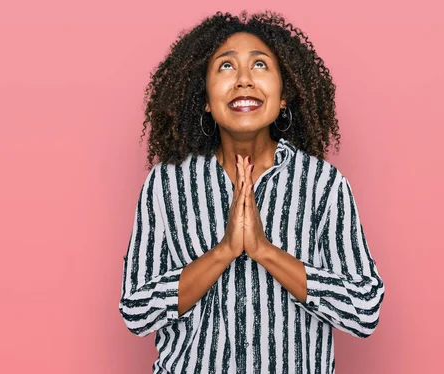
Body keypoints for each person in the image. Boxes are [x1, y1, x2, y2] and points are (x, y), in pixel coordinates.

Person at [118, 10, 385, 374]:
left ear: (285, 95)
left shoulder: (322, 184)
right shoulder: (166, 184)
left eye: (260, 65)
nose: (243, 80)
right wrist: (225, 251)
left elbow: (365, 308)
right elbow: (136, 310)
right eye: (226, 67)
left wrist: (264, 251)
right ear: (206, 101)